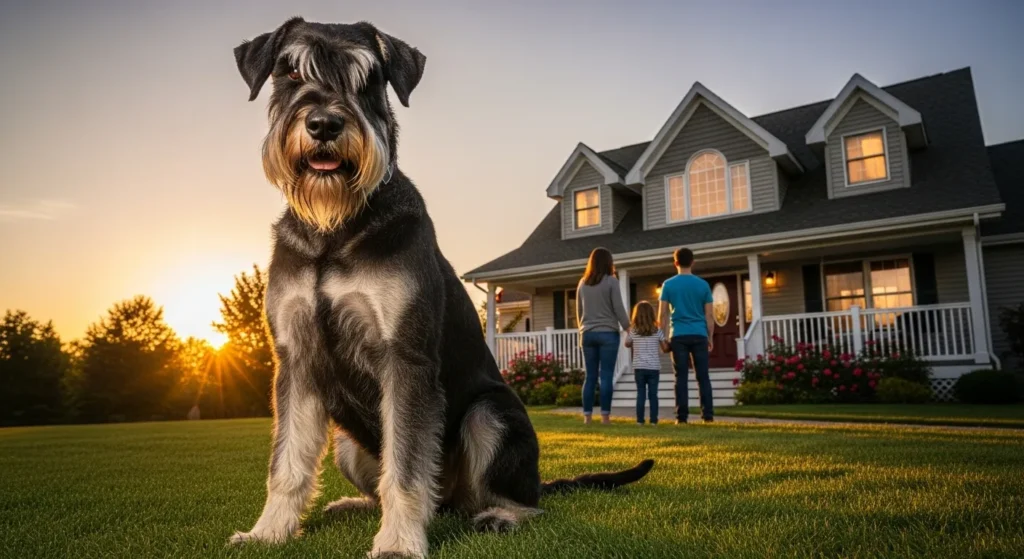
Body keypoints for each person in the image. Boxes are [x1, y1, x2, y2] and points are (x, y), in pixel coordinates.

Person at [657, 247, 715, 424]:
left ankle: (681, 418)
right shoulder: (703, 285)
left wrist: (663, 339)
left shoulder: (668, 285)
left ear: (675, 263)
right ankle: (708, 417)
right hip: (699, 334)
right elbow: (710, 316)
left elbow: (662, 316)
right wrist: (710, 338)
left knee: (680, 377)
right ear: (692, 262)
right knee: (703, 376)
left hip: (678, 336)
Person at [576, 247, 630, 425]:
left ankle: (587, 417)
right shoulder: (611, 282)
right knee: (606, 376)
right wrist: (628, 328)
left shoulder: (582, 283)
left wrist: (582, 330)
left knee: (590, 376)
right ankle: (605, 417)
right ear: (609, 262)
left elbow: (579, 312)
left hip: (588, 334)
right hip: (608, 334)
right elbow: (619, 308)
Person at [624, 301, 663, 426]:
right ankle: (653, 421)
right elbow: (664, 345)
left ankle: (640, 420)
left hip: (639, 367)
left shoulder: (634, 331)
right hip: (653, 368)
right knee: (653, 394)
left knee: (641, 393)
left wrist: (630, 337)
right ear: (652, 314)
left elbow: (627, 343)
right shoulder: (657, 330)